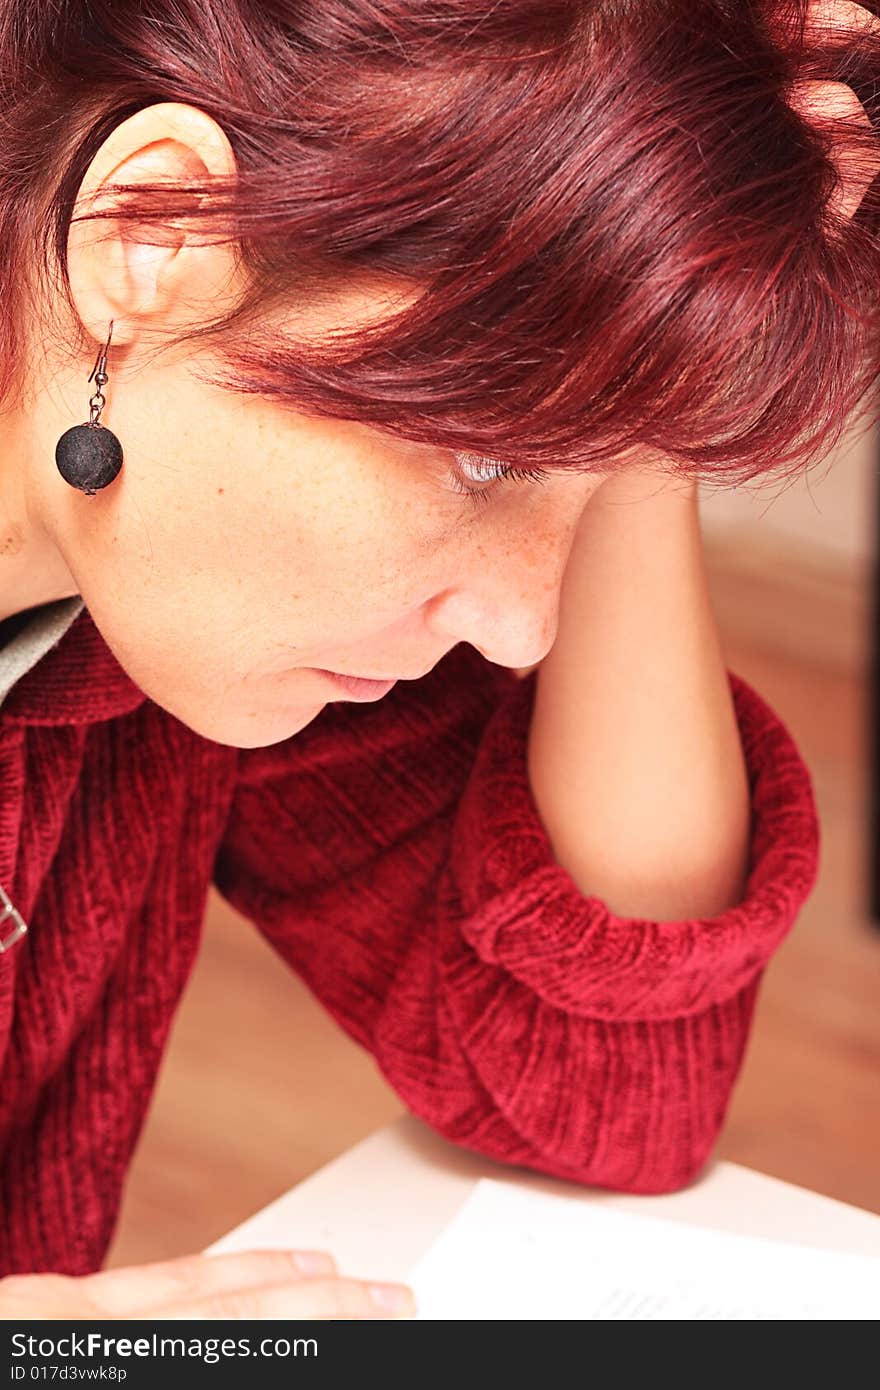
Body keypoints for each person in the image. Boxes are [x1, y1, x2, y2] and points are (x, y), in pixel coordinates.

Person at [0, 0, 876, 1320]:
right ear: (156, 231)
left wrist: (663, 321)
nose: (525, 631)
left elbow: (609, 1097)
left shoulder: (172, 603)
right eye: (482, 458)